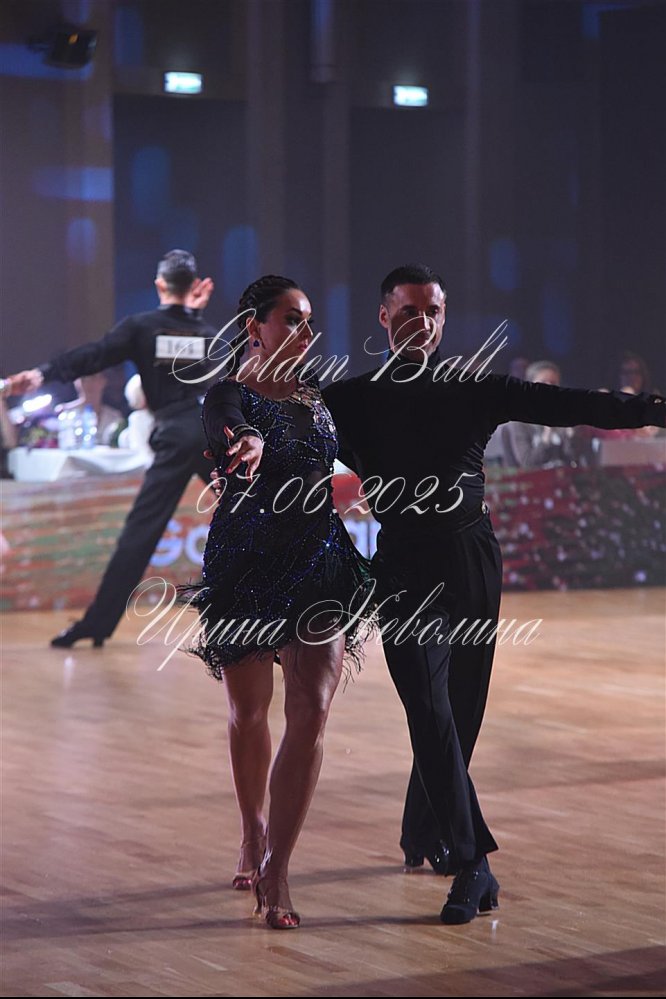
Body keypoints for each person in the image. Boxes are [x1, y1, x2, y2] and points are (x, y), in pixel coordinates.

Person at [316, 263, 666, 925]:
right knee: (428, 705)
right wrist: (233, 429)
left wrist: (651, 410)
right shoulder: (351, 399)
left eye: (434, 311)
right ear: (384, 317)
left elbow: (568, 406)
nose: (423, 322)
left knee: (461, 710)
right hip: (404, 565)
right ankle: (473, 862)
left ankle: (425, 827)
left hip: (471, 558)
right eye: (409, 311)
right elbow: (290, 428)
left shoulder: (472, 386)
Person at [179, 274, 377, 931]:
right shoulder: (228, 394)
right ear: (253, 326)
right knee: (249, 712)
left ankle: (279, 866)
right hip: (246, 566)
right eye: (291, 319)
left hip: (321, 563)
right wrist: (246, 442)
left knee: (312, 710)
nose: (305, 332)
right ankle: (251, 827)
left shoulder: (319, 398)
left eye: (309, 320)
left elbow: (360, 461)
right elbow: (229, 428)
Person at [7, 249, 217, 647]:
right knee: (260, 511)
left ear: (159, 285)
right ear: (193, 286)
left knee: (140, 533)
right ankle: (282, 615)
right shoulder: (206, 332)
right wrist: (192, 318)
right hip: (210, 433)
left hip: (176, 435)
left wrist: (42, 374)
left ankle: (98, 624)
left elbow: (94, 356)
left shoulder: (143, 327)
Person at [499, 360, 576, 467]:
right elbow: (527, 463)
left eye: (553, 383)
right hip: (533, 477)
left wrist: (571, 436)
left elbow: (573, 459)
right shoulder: (519, 421)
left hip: (564, 476)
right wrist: (546, 437)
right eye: (543, 383)